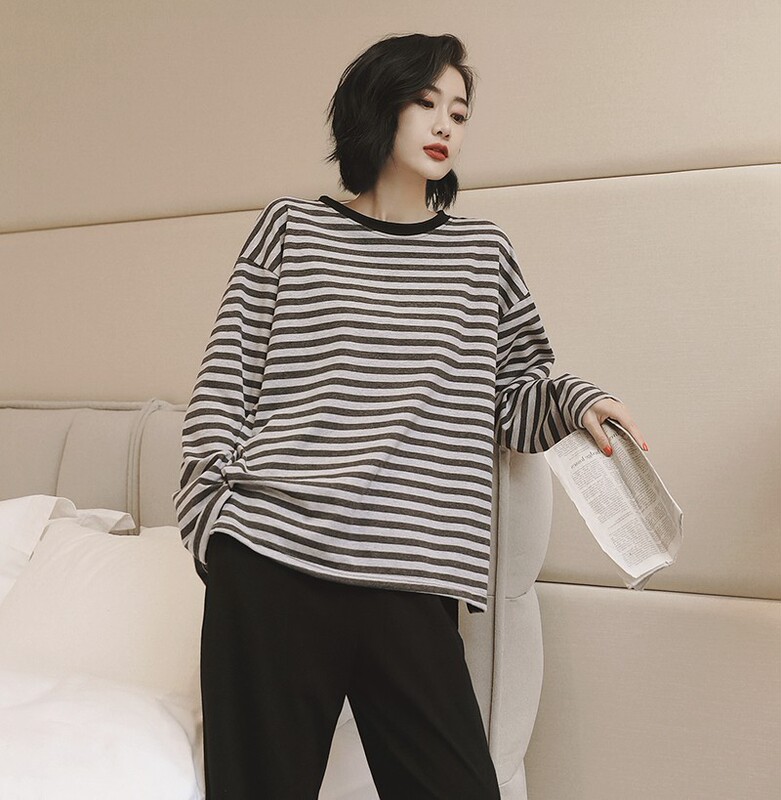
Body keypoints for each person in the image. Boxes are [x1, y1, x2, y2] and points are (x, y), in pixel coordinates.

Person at [172, 32, 647, 800]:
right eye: (425, 103)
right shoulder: (291, 229)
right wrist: (213, 525)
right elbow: (226, 385)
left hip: (413, 575)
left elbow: (514, 392)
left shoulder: (481, 254)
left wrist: (576, 400)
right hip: (272, 562)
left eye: (457, 112)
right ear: (377, 105)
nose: (444, 125)